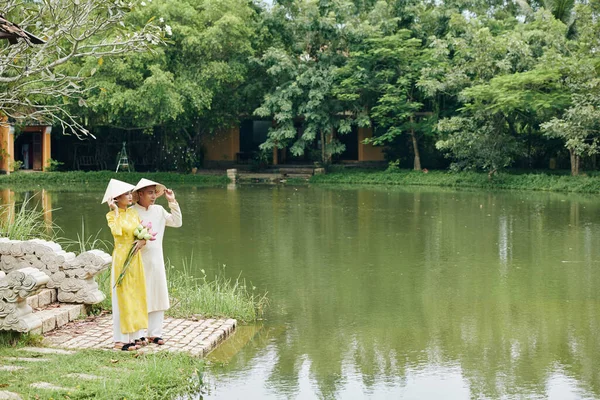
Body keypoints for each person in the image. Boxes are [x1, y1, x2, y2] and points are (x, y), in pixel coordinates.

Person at [132, 178, 182, 345]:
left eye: (155, 192)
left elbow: (177, 222)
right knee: (139, 295)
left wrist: (172, 201)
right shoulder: (131, 212)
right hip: (137, 260)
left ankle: (155, 333)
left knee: (158, 294)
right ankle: (138, 334)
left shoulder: (159, 210)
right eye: (150, 192)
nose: (153, 196)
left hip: (156, 259)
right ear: (140, 194)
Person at [102, 179, 149, 351]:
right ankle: (120, 340)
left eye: (131, 193)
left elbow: (140, 231)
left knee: (135, 293)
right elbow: (117, 232)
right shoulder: (111, 216)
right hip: (121, 257)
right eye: (127, 194)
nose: (131, 196)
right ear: (116, 198)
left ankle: (135, 335)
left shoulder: (133, 213)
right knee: (121, 296)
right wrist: (115, 211)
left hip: (135, 258)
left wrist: (143, 240)